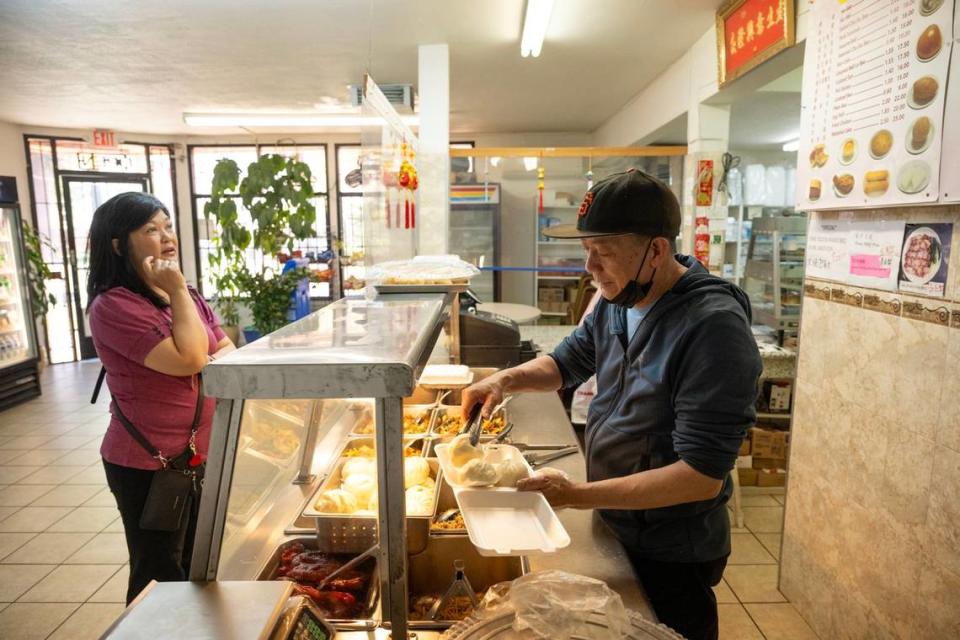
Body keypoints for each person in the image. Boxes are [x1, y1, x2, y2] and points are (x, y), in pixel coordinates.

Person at [461, 169, 761, 640]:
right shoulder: (617, 300)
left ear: (655, 250)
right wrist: (504, 380)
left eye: (602, 252)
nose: (590, 268)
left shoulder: (713, 328)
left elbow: (701, 477)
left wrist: (575, 495)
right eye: (586, 251)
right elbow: (567, 363)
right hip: (619, 520)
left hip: (671, 548)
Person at [86, 192, 235, 604]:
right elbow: (191, 358)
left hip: (197, 455)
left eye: (167, 226)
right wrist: (178, 293)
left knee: (195, 563)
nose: (166, 237)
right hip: (149, 463)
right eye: (151, 229)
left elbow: (228, 353)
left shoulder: (181, 294)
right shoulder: (113, 305)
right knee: (158, 573)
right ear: (119, 244)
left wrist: (180, 296)